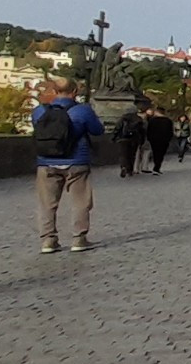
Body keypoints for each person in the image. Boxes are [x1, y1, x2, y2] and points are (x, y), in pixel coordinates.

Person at [32, 77, 105, 253]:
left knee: (47, 203)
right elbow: (98, 130)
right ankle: (79, 239)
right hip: (76, 160)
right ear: (74, 92)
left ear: (53, 91)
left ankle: (48, 240)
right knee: (80, 201)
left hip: (47, 161)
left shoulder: (39, 111)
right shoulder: (83, 111)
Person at [114, 108, 145, 178]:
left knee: (123, 154)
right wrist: (141, 140)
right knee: (132, 155)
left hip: (122, 139)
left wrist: (114, 137)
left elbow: (117, 128)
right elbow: (142, 131)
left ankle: (123, 166)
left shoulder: (122, 119)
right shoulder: (138, 119)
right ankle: (130, 170)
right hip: (134, 139)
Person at [144, 106, 175, 175]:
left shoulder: (152, 120)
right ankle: (157, 167)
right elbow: (170, 131)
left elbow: (149, 131)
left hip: (154, 139)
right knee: (161, 153)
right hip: (164, 140)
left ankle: (156, 166)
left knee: (155, 153)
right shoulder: (168, 121)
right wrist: (169, 138)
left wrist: (149, 138)